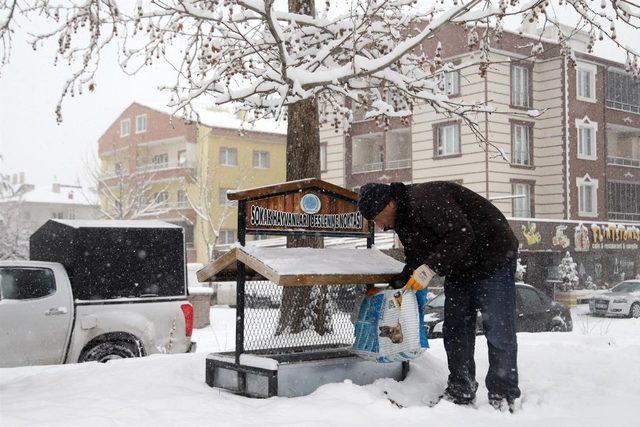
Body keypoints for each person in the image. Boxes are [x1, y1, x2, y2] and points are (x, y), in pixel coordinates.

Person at [357, 181, 521, 410]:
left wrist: (430, 267)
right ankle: (460, 389)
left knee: (498, 329)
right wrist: (396, 286)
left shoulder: (426, 199)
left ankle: (503, 394)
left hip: (493, 256)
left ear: (391, 203)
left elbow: (460, 235)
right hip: (460, 267)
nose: (380, 226)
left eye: (377, 217)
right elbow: (417, 258)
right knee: (455, 329)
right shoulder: (402, 221)